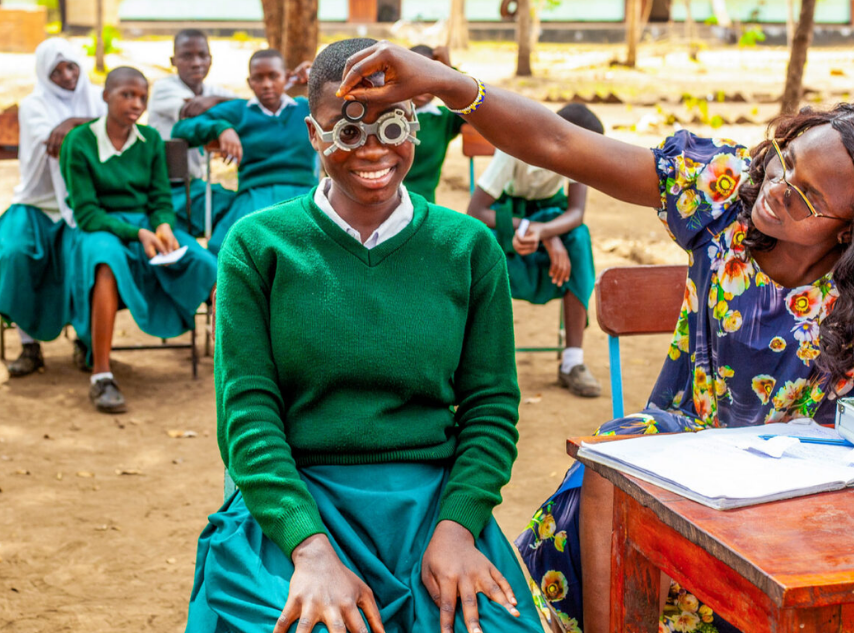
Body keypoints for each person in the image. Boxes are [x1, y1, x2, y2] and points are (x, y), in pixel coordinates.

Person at [334, 42, 854, 633]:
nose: (777, 191)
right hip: (684, 458)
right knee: (611, 466)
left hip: (816, 491)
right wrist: (447, 83)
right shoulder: (726, 193)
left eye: (808, 198)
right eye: (787, 160)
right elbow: (558, 142)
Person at [186, 38, 545, 633]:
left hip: (430, 503)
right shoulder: (257, 246)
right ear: (313, 134)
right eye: (346, 131)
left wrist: (456, 528)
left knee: (493, 624)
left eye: (393, 125)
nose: (372, 149)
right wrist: (310, 549)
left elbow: (490, 406)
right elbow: (246, 412)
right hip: (296, 497)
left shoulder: (468, 248)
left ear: (418, 128)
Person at [59, 67, 219, 414]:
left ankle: (234, 363)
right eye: (127, 95)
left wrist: (162, 227)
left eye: (142, 97)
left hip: (147, 225)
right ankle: (101, 375)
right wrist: (139, 234)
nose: (136, 103)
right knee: (106, 264)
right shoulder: (79, 142)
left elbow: (161, 200)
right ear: (106, 95)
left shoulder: (148, 140)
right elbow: (86, 212)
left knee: (207, 263)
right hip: (99, 229)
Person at [463, 103, 606, 399]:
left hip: (547, 221)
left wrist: (543, 233)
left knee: (579, 237)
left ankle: (572, 362)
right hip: (506, 222)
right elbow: (476, 211)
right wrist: (536, 231)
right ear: (559, 135)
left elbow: (576, 213)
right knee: (480, 243)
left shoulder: (576, 152)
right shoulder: (514, 147)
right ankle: (480, 363)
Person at [0, 38, 105, 378]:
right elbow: (53, 140)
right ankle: (29, 345)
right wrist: (76, 126)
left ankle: (85, 342)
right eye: (57, 71)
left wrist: (70, 123)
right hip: (36, 203)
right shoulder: (33, 104)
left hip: (83, 204)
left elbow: (114, 127)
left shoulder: (97, 97)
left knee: (83, 261)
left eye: (72, 67)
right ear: (43, 74)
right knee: (14, 255)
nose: (67, 76)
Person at [171, 49, 317, 256]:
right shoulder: (239, 111)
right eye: (258, 78)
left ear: (286, 77)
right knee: (228, 247)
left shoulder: (307, 107)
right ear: (250, 82)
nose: (266, 84)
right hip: (253, 193)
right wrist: (221, 128)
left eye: (273, 76)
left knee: (314, 244)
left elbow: (346, 110)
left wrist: (316, 81)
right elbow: (181, 129)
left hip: (303, 191)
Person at [148, 28, 239, 236]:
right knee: (232, 210)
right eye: (187, 56)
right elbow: (193, 109)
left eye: (202, 55)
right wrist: (218, 108)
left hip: (195, 184)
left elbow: (246, 107)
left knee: (238, 204)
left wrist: (213, 100)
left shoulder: (211, 92)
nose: (196, 62)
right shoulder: (164, 88)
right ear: (173, 61)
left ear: (211, 59)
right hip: (167, 188)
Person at [404, 44, 468, 203]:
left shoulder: (443, 118)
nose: (424, 86)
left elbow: (471, 104)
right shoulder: (383, 113)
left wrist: (449, 67)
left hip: (423, 206)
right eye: (415, 76)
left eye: (432, 78)